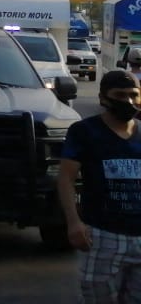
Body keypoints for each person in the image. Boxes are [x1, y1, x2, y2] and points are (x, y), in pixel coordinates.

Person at [59, 69, 141, 303]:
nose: (128, 101)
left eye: (133, 94)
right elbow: (66, 179)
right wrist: (74, 222)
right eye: (120, 95)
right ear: (104, 98)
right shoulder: (85, 132)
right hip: (103, 235)